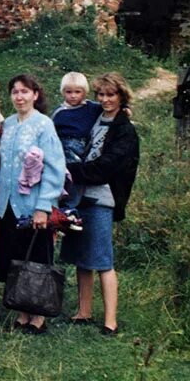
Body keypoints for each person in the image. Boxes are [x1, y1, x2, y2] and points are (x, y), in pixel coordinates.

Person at [59, 73, 139, 335]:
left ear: (121, 96)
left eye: (111, 95)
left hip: (102, 197)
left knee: (103, 259)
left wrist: (70, 171)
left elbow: (107, 167)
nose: (105, 99)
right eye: (101, 94)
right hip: (80, 195)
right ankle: (83, 312)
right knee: (82, 257)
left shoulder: (124, 128)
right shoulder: (97, 117)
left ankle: (110, 321)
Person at [0, 74, 66, 334]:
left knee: (37, 257)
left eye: (25, 91)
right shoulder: (9, 124)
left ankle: (39, 316)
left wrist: (43, 205)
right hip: (8, 204)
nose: (19, 97)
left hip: (33, 204)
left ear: (35, 95)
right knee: (17, 258)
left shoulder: (44, 125)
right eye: (15, 92)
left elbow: (55, 166)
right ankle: (23, 311)